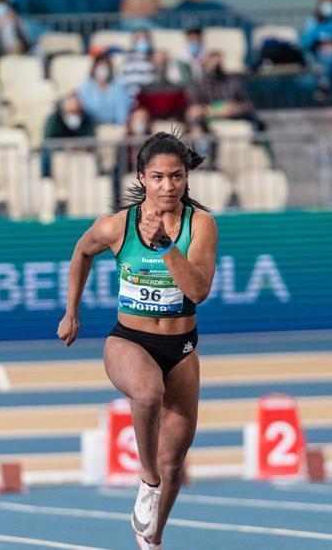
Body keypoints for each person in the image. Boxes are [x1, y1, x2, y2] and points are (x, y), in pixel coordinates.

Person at [57, 132, 217, 550]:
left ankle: (152, 537)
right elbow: (81, 252)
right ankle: (147, 482)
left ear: (186, 178)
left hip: (182, 349)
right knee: (147, 393)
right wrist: (72, 310)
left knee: (175, 464)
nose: (168, 186)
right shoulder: (118, 226)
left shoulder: (200, 225)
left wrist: (166, 247)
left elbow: (198, 291)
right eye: (159, 177)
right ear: (143, 177)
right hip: (129, 341)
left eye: (177, 177)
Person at [79, 54, 131, 125]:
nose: (102, 69)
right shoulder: (86, 86)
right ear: (94, 68)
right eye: (100, 66)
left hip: (114, 128)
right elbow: (85, 110)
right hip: (92, 128)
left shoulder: (118, 86)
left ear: (110, 68)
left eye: (105, 67)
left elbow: (122, 114)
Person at [120, 29, 158, 100]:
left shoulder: (155, 57)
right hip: (131, 96)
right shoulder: (128, 57)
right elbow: (125, 78)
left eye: (144, 38)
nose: (142, 41)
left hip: (148, 96)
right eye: (138, 38)